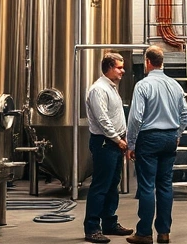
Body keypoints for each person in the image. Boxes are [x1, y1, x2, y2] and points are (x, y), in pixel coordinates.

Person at [125, 46, 187, 244]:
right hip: (169, 139)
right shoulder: (176, 85)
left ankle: (144, 233)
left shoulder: (143, 85)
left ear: (147, 62)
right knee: (165, 185)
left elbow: (136, 118)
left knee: (146, 186)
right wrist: (177, 134)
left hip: (149, 139)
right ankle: (164, 232)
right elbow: (186, 115)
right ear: (162, 62)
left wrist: (131, 143)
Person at [83, 52, 136, 243]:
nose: (123, 70)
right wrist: (117, 139)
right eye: (119, 67)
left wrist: (125, 137)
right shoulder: (98, 89)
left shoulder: (111, 87)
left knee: (112, 185)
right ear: (108, 68)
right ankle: (92, 228)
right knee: (101, 185)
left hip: (114, 143)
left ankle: (110, 223)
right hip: (105, 143)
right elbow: (102, 119)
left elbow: (115, 116)